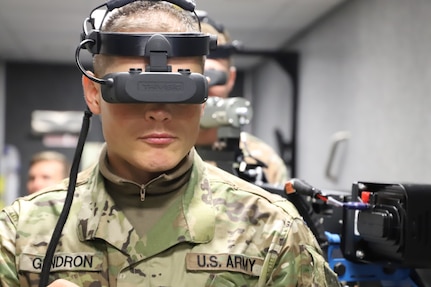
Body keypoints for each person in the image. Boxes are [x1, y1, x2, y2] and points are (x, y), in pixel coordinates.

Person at [0, 1, 340, 286]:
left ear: (204, 95)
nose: (159, 113)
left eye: (180, 90)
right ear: (94, 93)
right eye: (136, 91)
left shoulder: (273, 231)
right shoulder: (20, 233)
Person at [196, 13, 290, 186]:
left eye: (213, 77)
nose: (204, 88)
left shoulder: (262, 160)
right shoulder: (154, 149)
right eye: (194, 79)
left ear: (231, 79)